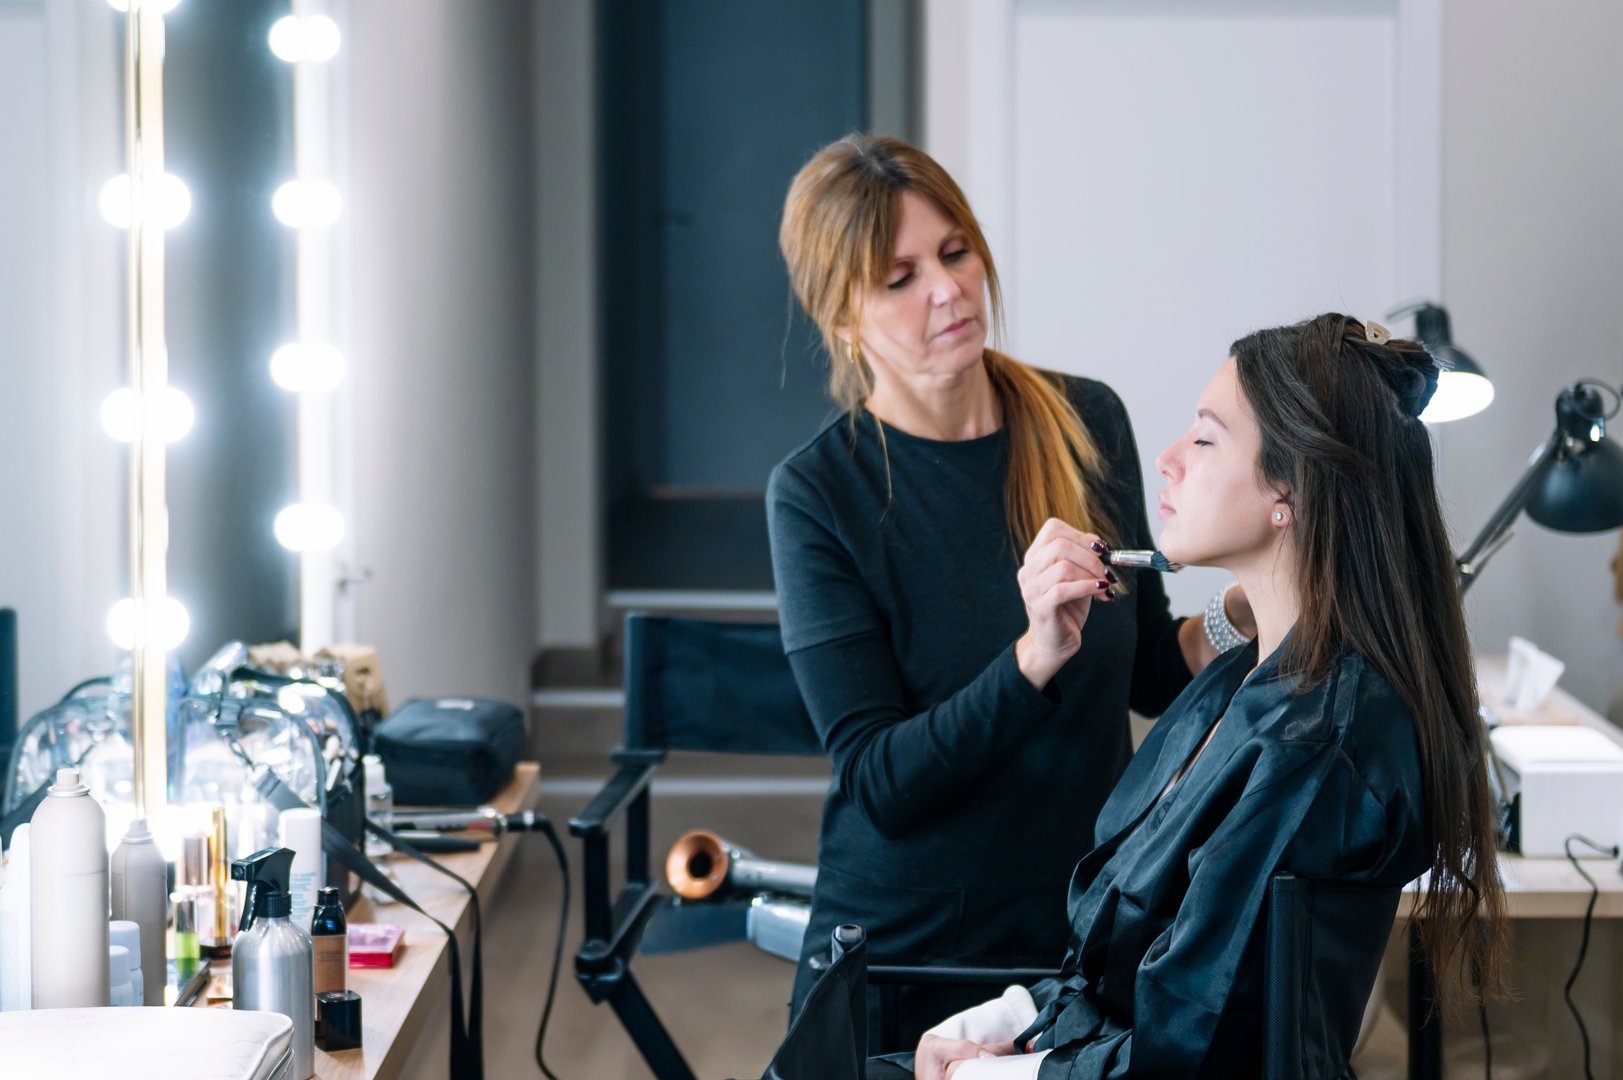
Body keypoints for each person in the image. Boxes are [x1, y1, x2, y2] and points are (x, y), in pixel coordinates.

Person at [893, 314, 1508, 1079]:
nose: (1165, 460)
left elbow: (1193, 1049)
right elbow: (1124, 961)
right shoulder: (1234, 678)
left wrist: (978, 1073)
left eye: (1205, 439)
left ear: (1291, 487)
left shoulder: (1319, 746)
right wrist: (1015, 1019)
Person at [768, 133, 1254, 1048]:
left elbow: (1147, 666)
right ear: (839, 314)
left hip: (1084, 925)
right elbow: (881, 783)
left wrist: (1250, 609)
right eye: (898, 277)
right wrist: (1034, 655)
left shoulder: (1083, 422)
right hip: (911, 955)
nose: (947, 289)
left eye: (954, 251)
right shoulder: (816, 496)